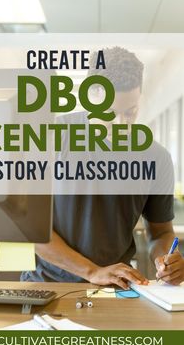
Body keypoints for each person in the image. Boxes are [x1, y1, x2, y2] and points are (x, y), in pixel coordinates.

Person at [21, 47, 184, 289]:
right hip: (48, 286)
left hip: (115, 288)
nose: (121, 124)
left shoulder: (156, 157)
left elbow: (160, 234)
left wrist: (167, 261)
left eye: (130, 112)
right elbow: (31, 229)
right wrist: (92, 271)